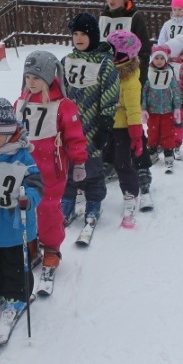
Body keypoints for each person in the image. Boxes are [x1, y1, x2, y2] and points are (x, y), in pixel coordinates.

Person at [16, 51, 88, 275]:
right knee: (25, 207)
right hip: (23, 168)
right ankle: (30, 242)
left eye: (36, 78)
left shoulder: (63, 105)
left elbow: (74, 136)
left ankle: (51, 247)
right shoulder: (20, 102)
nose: (31, 82)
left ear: (48, 78)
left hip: (51, 169)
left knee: (48, 209)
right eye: (28, 77)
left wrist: (79, 162)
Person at [0, 98, 44, 323]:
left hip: (14, 225)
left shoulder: (21, 156)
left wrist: (28, 198)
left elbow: (36, 183)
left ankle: (17, 295)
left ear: (9, 132)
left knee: (14, 265)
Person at [60, 13, 120, 238]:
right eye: (75, 34)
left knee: (92, 167)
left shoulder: (104, 63)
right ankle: (67, 200)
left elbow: (111, 92)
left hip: (93, 124)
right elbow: (60, 90)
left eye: (83, 34)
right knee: (68, 165)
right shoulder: (66, 61)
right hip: (69, 125)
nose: (78, 38)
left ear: (93, 36)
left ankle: (94, 201)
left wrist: (106, 123)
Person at [99, 0, 154, 209]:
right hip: (107, 75)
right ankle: (110, 158)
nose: (111, 0)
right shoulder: (103, 15)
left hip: (130, 75)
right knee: (110, 119)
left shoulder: (135, 17)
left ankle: (142, 165)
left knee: (131, 120)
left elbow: (144, 50)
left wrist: (137, 77)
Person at [105, 29, 144, 228]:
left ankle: (130, 193)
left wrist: (136, 135)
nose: (108, 55)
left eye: (112, 52)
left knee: (123, 163)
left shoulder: (129, 80)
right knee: (102, 156)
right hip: (106, 123)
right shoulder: (106, 71)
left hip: (122, 127)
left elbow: (133, 109)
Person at [141, 45, 183, 171]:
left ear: (166, 59)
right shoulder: (149, 73)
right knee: (152, 132)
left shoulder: (169, 73)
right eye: (156, 58)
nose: (159, 61)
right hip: (152, 110)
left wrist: (177, 107)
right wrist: (143, 108)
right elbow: (143, 91)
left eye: (162, 58)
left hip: (167, 110)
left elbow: (175, 90)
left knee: (167, 132)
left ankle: (168, 152)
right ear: (152, 59)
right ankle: (152, 151)